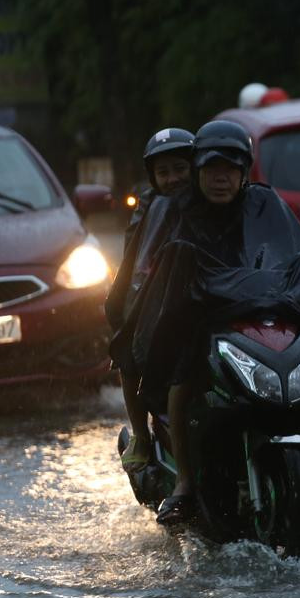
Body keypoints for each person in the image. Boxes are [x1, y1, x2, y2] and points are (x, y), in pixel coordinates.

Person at [113, 119, 300, 525]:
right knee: (183, 380)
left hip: (260, 316)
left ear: (244, 173)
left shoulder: (266, 204)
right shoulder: (174, 209)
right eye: (212, 169)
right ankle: (185, 484)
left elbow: (298, 252)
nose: (221, 179)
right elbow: (156, 268)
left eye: (230, 170)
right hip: (197, 323)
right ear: (198, 170)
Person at [106, 127, 194, 473]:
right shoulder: (149, 208)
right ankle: (142, 436)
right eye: (164, 172)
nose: (173, 179)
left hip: (211, 297)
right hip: (159, 300)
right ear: (153, 178)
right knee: (127, 352)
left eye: (180, 169)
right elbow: (134, 264)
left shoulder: (211, 200)